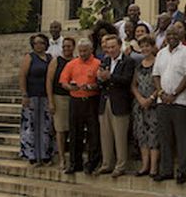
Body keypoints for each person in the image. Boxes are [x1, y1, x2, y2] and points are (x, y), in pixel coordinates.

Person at [152, 26, 186, 184]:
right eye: (169, 34)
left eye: (174, 34)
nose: (171, 36)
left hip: (180, 102)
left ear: (180, 35)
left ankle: (182, 172)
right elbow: (156, 75)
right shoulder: (161, 53)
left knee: (182, 138)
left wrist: (175, 93)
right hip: (162, 102)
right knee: (165, 138)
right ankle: (166, 170)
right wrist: (161, 93)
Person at [59, 38, 101, 174]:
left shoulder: (97, 63)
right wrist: (70, 86)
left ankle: (92, 163)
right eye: (80, 51)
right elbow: (63, 81)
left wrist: (91, 86)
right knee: (75, 132)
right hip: (75, 100)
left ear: (91, 50)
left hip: (91, 100)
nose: (82, 53)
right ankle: (74, 163)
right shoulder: (72, 64)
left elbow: (101, 83)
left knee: (93, 133)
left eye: (85, 51)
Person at [96, 34, 136, 177]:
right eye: (108, 47)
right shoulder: (105, 60)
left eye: (113, 47)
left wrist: (110, 77)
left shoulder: (128, 61)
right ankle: (106, 163)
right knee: (105, 135)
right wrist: (100, 78)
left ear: (119, 46)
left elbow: (126, 80)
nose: (111, 50)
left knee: (120, 136)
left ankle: (120, 165)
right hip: (105, 101)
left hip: (119, 102)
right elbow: (101, 80)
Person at [18, 33, 55, 166]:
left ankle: (45, 154)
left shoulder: (50, 58)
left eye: (42, 43)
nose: (39, 45)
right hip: (32, 96)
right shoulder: (29, 57)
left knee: (46, 126)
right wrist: (24, 94)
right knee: (31, 125)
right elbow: (22, 76)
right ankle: (31, 155)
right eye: (36, 43)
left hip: (46, 96)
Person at [131, 34, 160, 177]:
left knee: (153, 136)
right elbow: (134, 85)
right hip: (140, 105)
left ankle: (154, 168)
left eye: (147, 46)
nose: (145, 49)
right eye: (142, 46)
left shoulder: (158, 63)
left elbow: (160, 85)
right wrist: (140, 99)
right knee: (142, 135)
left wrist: (151, 98)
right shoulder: (139, 65)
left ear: (152, 46)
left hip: (153, 105)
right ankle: (144, 165)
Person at [46, 36, 76, 171]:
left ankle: (73, 158)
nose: (66, 49)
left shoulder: (76, 61)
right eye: (64, 46)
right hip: (59, 98)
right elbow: (49, 81)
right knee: (60, 130)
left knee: (72, 129)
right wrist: (51, 101)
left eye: (69, 46)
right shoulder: (56, 61)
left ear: (73, 47)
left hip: (74, 98)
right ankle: (62, 159)